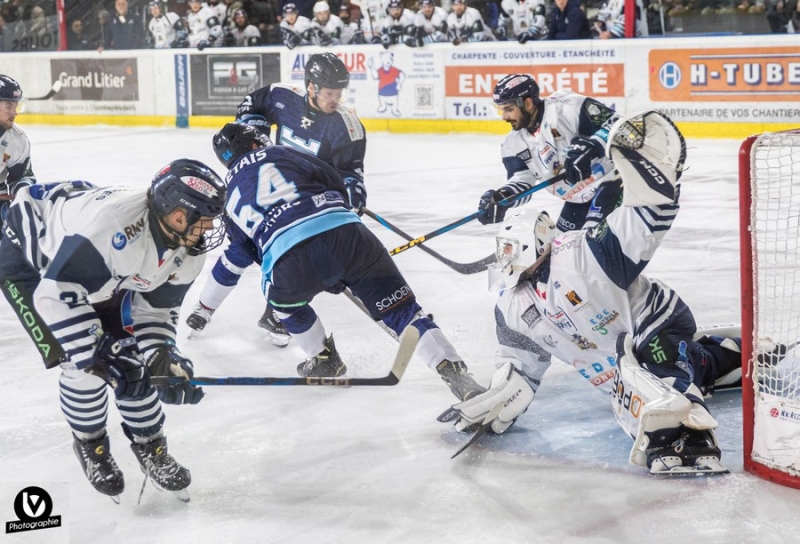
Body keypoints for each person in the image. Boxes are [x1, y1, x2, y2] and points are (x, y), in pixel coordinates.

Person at [449, 111, 744, 474]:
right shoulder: (511, 304)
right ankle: (731, 355)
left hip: (650, 322)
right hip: (618, 350)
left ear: (532, 243)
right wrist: (498, 396)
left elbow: (646, 218)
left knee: (660, 372)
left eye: (509, 249)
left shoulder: (582, 253)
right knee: (669, 370)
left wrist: (652, 177)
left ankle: (687, 438)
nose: (503, 259)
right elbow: (521, 367)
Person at [210, 122, 487, 404]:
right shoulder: (282, 152)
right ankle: (460, 379)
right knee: (404, 312)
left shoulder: (226, 195)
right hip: (349, 235)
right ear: (256, 144)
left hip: (287, 259)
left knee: (281, 303)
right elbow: (331, 179)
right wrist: (337, 235)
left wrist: (308, 267)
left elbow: (247, 250)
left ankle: (322, 358)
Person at [0, 159, 226, 501]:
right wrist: (99, 353)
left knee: (135, 362)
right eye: (204, 220)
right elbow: (54, 295)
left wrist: (162, 354)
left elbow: (156, 309)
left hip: (97, 268)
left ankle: (152, 447)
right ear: (178, 215)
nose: (208, 229)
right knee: (84, 366)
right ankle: (91, 445)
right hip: (30, 259)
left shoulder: (186, 249)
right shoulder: (116, 229)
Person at [186, 53, 365, 348]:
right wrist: (253, 133)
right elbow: (251, 106)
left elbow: (351, 173)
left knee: (296, 255)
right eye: (330, 93)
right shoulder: (281, 96)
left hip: (309, 198)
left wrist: (353, 196)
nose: (336, 99)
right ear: (311, 87)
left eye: (339, 93)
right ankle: (204, 308)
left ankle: (276, 314)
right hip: (272, 187)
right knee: (241, 249)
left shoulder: (347, 127)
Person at [476, 73, 623, 234]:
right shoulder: (513, 144)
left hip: (612, 181)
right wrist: (503, 197)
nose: (504, 117)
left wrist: (592, 146)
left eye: (509, 109)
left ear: (528, 103)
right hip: (576, 199)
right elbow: (523, 180)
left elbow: (618, 124)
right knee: (561, 251)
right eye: (501, 110)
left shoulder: (566, 107)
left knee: (593, 242)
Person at [0, 75, 35, 227]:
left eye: (16, 106)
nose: (14, 113)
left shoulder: (17, 140)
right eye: (8, 106)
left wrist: (23, 192)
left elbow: (21, 177)